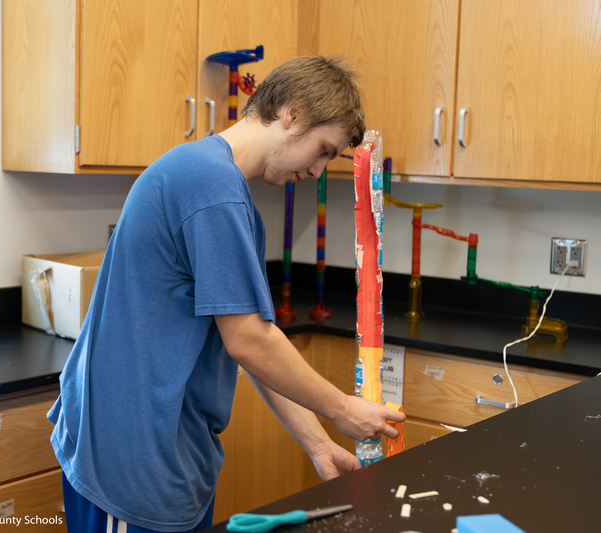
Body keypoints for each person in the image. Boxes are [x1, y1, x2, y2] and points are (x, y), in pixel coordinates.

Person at [47, 55, 405, 533]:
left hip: (162, 445)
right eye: (323, 150)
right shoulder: (212, 188)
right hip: (132, 457)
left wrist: (319, 447)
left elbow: (253, 342)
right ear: (292, 113)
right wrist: (342, 410)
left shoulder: (219, 188)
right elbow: (249, 341)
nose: (319, 171)